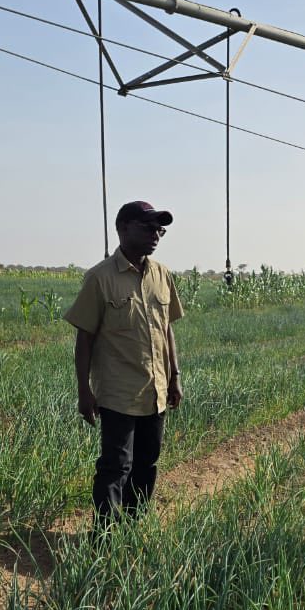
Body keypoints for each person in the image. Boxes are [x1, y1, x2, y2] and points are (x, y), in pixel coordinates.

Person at [64, 200, 184, 521]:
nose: (155, 234)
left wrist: (175, 376)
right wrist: (84, 390)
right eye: (147, 227)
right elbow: (84, 338)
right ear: (122, 229)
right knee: (115, 467)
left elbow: (166, 329)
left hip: (155, 390)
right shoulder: (100, 278)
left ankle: (133, 528)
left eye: (159, 229)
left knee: (147, 464)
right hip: (118, 394)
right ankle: (105, 540)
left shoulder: (162, 276)